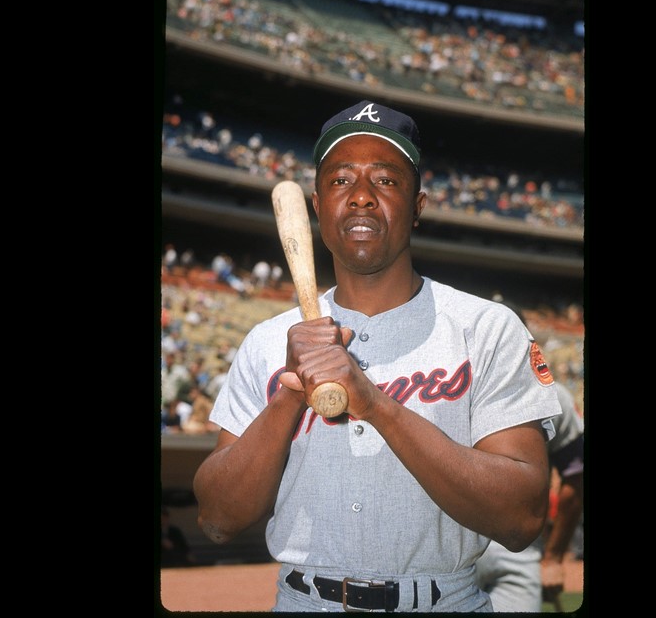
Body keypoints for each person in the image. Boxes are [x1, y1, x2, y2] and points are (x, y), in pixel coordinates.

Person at [192, 100, 562, 612]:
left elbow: (521, 519)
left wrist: (374, 403)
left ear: (418, 205)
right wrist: (287, 398)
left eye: (386, 181)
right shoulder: (267, 340)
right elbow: (216, 518)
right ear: (318, 205)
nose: (362, 197)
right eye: (342, 181)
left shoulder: (487, 329)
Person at [474, 377, 585, 611]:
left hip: (517, 551)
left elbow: (576, 475)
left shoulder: (551, 394)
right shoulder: (436, 384)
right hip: (446, 552)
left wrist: (554, 557)